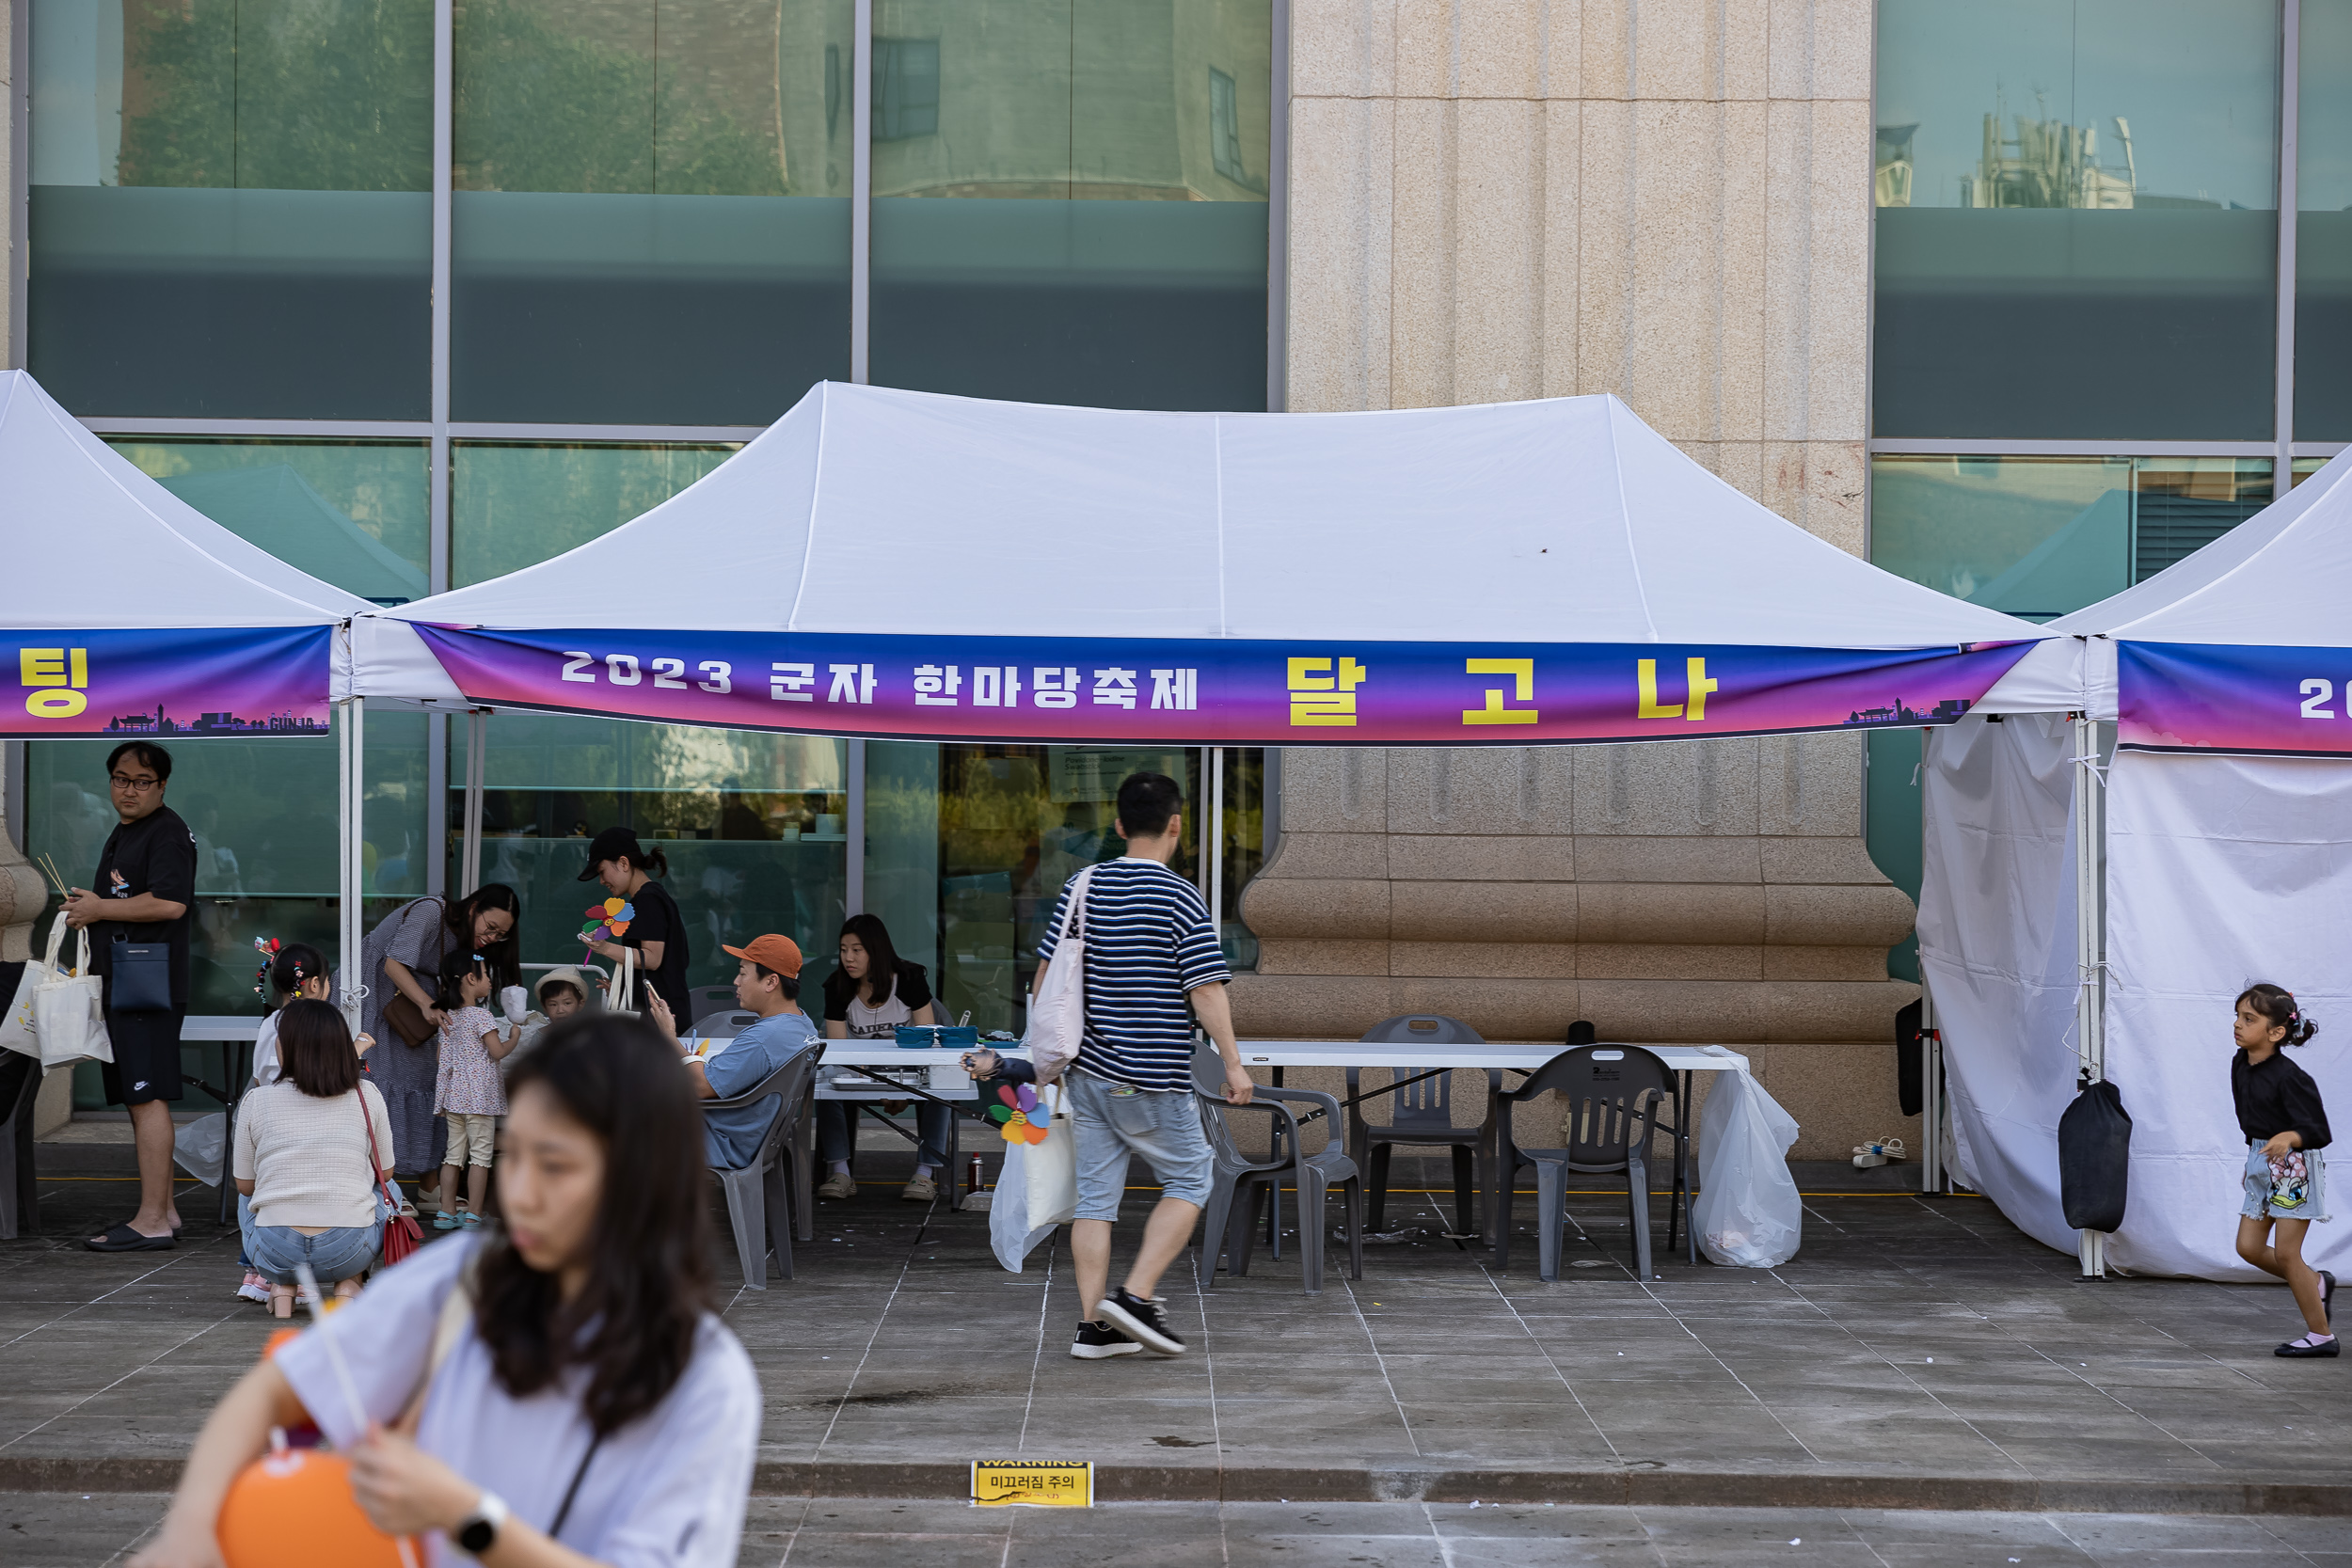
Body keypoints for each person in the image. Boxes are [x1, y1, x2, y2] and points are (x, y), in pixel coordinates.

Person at [130, 1016, 762, 1568]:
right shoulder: (464, 1277)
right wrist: (187, 1535)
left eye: (557, 1165)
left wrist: (467, 1515)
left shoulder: (705, 1378)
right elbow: (273, 1392)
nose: (522, 1193)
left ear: (643, 1174)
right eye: (514, 1156)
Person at [974, 772, 1253, 1362]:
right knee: (1191, 1179)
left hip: (1089, 1076)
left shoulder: (1083, 885)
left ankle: (1095, 1328)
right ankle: (1135, 1298)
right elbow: (1205, 989)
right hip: (1150, 1075)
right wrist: (1233, 1064)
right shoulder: (1179, 895)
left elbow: (1047, 980)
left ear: (1120, 826)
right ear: (1176, 825)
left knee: (1096, 1202)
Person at [66, 741, 198, 1253]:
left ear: (162, 785)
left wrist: (100, 910)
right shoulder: (127, 832)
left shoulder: (166, 832)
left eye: (142, 781)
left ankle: (152, 1221)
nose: (129, 790)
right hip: (127, 984)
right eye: (121, 779)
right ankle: (163, 1210)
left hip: (148, 985)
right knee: (138, 1097)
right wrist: (92, 908)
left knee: (147, 1097)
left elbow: (169, 904)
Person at [360, 884, 521, 1206]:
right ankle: (382, 1189)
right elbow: (393, 964)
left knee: (426, 1080)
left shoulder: (464, 936)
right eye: (490, 928)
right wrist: (426, 1004)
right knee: (377, 1081)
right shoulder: (431, 910)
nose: (491, 938)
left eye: (500, 935)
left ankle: (429, 1186)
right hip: (373, 993)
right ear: (474, 907)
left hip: (412, 1005)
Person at [232, 1001, 394, 1320]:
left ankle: (282, 1286)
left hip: (276, 1250)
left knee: (247, 1197)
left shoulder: (257, 1099)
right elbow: (386, 1173)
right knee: (390, 1191)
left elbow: (245, 1185)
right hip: (349, 1250)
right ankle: (349, 1284)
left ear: (290, 1047)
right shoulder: (367, 1093)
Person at [240, 942, 374, 1305]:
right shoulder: (321, 1024)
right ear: (315, 984)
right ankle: (334, 1275)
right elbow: (328, 1075)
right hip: (311, 1116)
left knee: (259, 1192)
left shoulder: (271, 1022)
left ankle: (262, 1272)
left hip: (271, 1124)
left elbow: (258, 1078)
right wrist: (358, 1049)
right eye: (328, 980)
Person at [644, 934, 818, 1175]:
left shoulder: (764, 1038)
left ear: (771, 982)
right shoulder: (803, 1024)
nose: (736, 981)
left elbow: (702, 1087)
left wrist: (668, 1035)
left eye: (743, 973)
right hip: (753, 1138)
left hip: (722, 1142)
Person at [2231, 984, 2337, 1357]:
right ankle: (2315, 1283)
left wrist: (2289, 1137)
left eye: (2249, 1019)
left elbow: (2318, 1131)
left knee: (2289, 1255)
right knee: (2248, 1247)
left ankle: (2321, 1337)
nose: (2238, 1025)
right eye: (2238, 1017)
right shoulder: (2240, 1063)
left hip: (2294, 1168)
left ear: (2276, 1032)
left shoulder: (2291, 1077)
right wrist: (2254, 1162)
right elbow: (2250, 1118)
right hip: (2262, 1160)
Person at [817, 914, 950, 1203]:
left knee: (941, 1086)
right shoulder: (837, 987)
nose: (848, 958)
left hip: (910, 1068)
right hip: (860, 1070)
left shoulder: (909, 979)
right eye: (843, 949)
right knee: (824, 1085)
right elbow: (839, 1053)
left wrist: (902, 1088)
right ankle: (840, 1171)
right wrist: (871, 1081)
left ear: (875, 950)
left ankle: (925, 1173)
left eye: (857, 950)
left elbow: (927, 1040)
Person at [435, 952, 518, 1232]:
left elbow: (440, 1058)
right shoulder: (482, 1016)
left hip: (454, 1096)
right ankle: (473, 1213)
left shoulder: (449, 1017)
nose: (491, 982)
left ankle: (446, 1212)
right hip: (479, 1098)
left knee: (452, 1156)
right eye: (486, 975)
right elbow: (496, 1052)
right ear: (471, 979)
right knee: (481, 1157)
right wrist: (514, 1039)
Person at [578, 827, 692, 1024]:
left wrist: (604, 948)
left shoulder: (648, 900)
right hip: (662, 1012)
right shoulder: (650, 897)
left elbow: (653, 958)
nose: (602, 881)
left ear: (623, 863)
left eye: (602, 872)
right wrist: (623, 985)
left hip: (660, 1018)